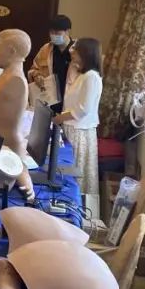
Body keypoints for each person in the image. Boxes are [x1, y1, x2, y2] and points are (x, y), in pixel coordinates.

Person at [53, 38, 104, 195]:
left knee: (76, 175)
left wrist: (60, 118)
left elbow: (83, 109)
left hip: (79, 132)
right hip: (71, 128)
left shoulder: (91, 77)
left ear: (85, 53)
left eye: (76, 50)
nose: (72, 52)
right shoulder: (81, 74)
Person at [29, 15, 75, 113]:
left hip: (69, 103)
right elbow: (33, 69)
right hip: (49, 100)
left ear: (67, 31)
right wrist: (36, 75)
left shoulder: (77, 51)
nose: (53, 35)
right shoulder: (46, 49)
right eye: (51, 32)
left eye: (57, 33)